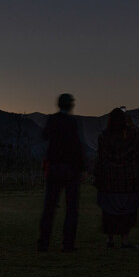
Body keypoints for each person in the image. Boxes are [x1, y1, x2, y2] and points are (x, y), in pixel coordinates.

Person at [93, 108, 139, 249]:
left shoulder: (103, 137)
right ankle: (124, 240)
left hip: (109, 181)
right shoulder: (133, 137)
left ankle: (109, 239)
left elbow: (101, 157)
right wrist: (131, 124)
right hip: (128, 182)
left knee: (109, 211)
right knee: (128, 212)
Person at [38, 93, 87, 252]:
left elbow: (45, 136)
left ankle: (44, 242)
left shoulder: (53, 120)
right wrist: (83, 167)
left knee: (49, 207)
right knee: (71, 208)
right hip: (70, 169)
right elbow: (78, 146)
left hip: (54, 168)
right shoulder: (73, 122)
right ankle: (68, 243)